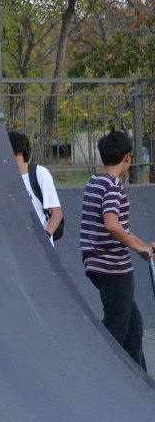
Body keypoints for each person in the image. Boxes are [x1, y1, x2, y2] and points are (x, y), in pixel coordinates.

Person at [80, 129, 154, 370]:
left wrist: (143, 245)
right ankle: (99, 376)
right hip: (113, 267)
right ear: (128, 158)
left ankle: (140, 384)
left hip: (97, 263)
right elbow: (112, 224)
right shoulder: (113, 185)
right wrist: (138, 250)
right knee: (116, 329)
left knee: (134, 327)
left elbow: (116, 227)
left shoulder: (95, 181)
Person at [8, 130, 63, 244]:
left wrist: (45, 236)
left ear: (18, 152)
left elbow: (57, 213)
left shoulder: (40, 174)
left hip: (38, 246)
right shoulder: (5, 176)